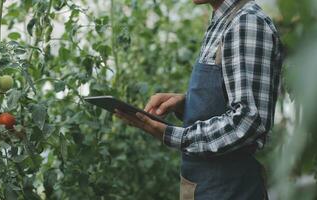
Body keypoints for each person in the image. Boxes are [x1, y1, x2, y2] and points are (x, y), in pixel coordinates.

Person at [115, 0, 283, 199]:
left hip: (231, 189)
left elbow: (247, 122)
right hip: (208, 186)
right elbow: (229, 96)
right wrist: (186, 103)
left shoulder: (246, 23)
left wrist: (172, 135)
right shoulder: (223, 20)